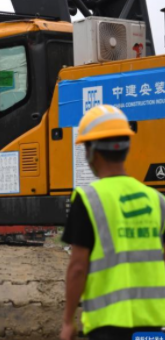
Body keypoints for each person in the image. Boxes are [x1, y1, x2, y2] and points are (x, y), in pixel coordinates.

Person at [60, 104, 165, 340]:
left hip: (107, 325)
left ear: (91, 151)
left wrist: (68, 322)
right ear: (127, 148)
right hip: (153, 324)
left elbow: (78, 267)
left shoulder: (88, 200)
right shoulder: (157, 200)